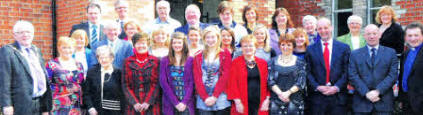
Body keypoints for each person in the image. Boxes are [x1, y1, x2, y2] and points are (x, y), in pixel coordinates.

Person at [0, 20, 52, 115]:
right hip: (20, 105)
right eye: (21, 32)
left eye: (28, 32)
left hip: (39, 103)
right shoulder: (8, 51)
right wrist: (6, 105)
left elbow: (42, 78)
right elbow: (4, 80)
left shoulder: (36, 50)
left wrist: (45, 107)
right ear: (15, 35)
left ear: (33, 34)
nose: (25, 35)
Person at [348, 24, 399, 115]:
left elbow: (393, 75)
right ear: (364, 36)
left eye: (374, 33)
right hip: (361, 103)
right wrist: (366, 93)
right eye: (368, 34)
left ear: (380, 35)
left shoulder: (391, 53)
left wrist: (378, 91)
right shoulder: (355, 54)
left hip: (384, 103)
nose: (371, 36)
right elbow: (352, 75)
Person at [305, 18, 350, 115]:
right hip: (317, 98)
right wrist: (317, 86)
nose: (323, 31)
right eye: (320, 28)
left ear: (331, 28)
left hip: (338, 98)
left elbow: (347, 71)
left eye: (326, 28)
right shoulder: (310, 49)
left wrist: (336, 87)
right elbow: (307, 72)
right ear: (317, 30)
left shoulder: (344, 48)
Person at [193, 26, 232, 114]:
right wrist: (205, 97)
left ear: (218, 38)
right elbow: (197, 78)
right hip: (203, 99)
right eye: (208, 37)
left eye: (213, 37)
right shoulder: (198, 55)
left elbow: (225, 76)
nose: (210, 40)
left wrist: (214, 96)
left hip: (221, 98)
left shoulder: (225, 54)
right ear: (204, 39)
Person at [227, 35, 270, 115]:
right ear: (241, 48)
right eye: (245, 46)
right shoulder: (236, 63)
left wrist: (267, 100)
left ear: (255, 47)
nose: (248, 48)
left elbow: (268, 83)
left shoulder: (263, 63)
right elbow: (232, 84)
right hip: (242, 103)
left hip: (260, 103)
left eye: (250, 45)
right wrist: (237, 102)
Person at [122, 32, 161, 115]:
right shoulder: (127, 62)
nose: (141, 46)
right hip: (133, 105)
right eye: (138, 43)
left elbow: (157, 83)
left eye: (143, 43)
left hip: (151, 104)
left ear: (148, 44)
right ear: (134, 45)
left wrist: (148, 101)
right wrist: (134, 102)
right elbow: (125, 84)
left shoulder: (156, 61)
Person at [268, 36, 307, 115]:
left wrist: (287, 93)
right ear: (279, 46)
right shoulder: (272, 61)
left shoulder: (300, 62)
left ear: (293, 46)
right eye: (283, 44)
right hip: (276, 101)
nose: (285, 47)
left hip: (295, 101)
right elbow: (270, 80)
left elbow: (301, 82)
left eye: (289, 45)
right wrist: (280, 94)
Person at [46, 37, 84, 115]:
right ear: (59, 48)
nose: (67, 50)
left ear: (73, 49)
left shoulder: (79, 65)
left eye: (70, 47)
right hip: (58, 105)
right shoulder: (51, 65)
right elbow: (46, 86)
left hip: (76, 106)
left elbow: (82, 83)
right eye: (64, 47)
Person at [82, 46, 125, 115]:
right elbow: (86, 93)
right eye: (101, 58)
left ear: (112, 58)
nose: (103, 60)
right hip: (95, 111)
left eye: (106, 57)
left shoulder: (119, 73)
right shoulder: (91, 72)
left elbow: (123, 96)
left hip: (115, 112)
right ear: (98, 59)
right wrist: (90, 107)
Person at [160, 32, 195, 115]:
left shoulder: (190, 60)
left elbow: (192, 83)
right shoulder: (165, 60)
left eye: (179, 42)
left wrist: (184, 102)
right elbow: (163, 82)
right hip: (170, 102)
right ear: (171, 44)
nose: (177, 45)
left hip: (186, 103)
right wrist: (176, 103)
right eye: (174, 42)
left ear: (184, 44)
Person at [398, 22, 423, 114]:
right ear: (406, 37)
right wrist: (401, 98)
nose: (413, 38)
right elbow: (402, 76)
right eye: (410, 35)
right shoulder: (405, 53)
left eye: (416, 35)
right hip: (407, 101)